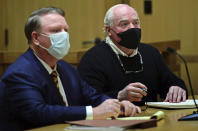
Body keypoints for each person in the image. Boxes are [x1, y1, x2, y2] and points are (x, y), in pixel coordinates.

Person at [0, 7, 141, 130]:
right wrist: (94, 112)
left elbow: (92, 96)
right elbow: (38, 112)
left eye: (65, 30)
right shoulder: (20, 73)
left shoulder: (66, 68)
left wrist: (117, 105)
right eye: (56, 30)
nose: (64, 35)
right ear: (36, 38)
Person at [78, 4, 188, 106]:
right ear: (108, 30)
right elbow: (88, 100)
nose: (132, 28)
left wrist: (177, 88)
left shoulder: (150, 53)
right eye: (124, 24)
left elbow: (172, 83)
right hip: (115, 122)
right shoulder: (92, 59)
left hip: (152, 119)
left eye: (136, 23)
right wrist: (119, 96)